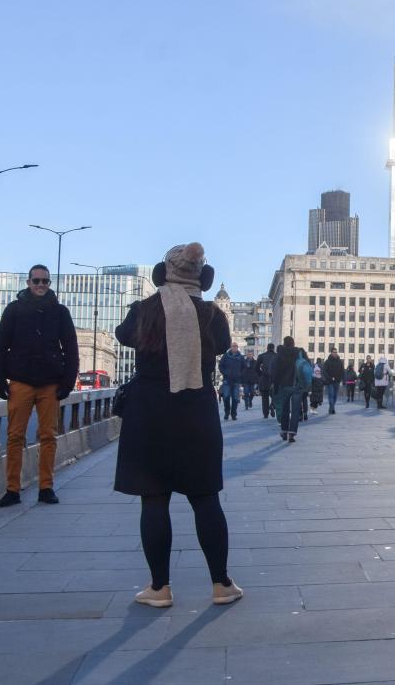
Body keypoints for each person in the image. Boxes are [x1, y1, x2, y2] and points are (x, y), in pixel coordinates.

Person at [113, 242, 243, 608]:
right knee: (205, 499)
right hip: (196, 413)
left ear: (163, 273)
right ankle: (221, 584)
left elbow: (125, 337)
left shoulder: (144, 310)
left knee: (154, 500)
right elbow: (219, 347)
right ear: (201, 278)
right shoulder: (213, 316)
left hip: (149, 415)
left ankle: (160, 588)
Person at [0, 263, 79, 507]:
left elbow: (71, 349)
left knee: (49, 436)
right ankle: (12, 490)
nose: (41, 285)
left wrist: (67, 382)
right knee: (15, 436)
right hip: (20, 382)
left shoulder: (60, 312)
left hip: (50, 384)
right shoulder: (14, 310)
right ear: (28, 282)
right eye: (36, 281)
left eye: (45, 281)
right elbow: (0, 347)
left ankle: (46, 487)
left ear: (49, 284)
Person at [272, 337, 303, 442]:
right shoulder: (299, 353)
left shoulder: (279, 355)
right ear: (293, 343)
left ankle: (284, 431)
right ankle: (292, 433)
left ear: (284, 343)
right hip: (297, 385)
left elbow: (275, 372)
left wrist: (275, 386)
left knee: (285, 409)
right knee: (295, 411)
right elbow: (306, 368)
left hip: (284, 386)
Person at [218, 342, 246, 420]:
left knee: (235, 398)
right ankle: (227, 412)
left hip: (236, 381)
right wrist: (225, 372)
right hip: (227, 380)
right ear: (231, 347)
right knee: (226, 397)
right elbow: (220, 365)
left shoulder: (241, 357)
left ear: (237, 348)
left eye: (236, 346)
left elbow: (244, 367)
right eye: (233, 346)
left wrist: (240, 374)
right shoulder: (226, 356)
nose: (234, 348)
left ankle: (234, 414)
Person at [256, 343, 276, 419]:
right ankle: (272, 405)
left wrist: (261, 374)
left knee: (265, 397)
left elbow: (256, 368)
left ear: (267, 348)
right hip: (274, 380)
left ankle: (265, 413)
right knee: (275, 396)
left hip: (264, 379)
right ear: (273, 348)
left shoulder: (261, 356)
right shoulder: (277, 356)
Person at [323, 349, 344, 415]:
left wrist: (342, 379)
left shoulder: (340, 361)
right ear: (331, 353)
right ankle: (331, 407)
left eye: (336, 352)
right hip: (329, 381)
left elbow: (342, 371)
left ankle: (332, 406)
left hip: (337, 381)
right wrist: (329, 378)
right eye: (334, 352)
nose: (335, 353)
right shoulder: (327, 361)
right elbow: (324, 371)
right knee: (331, 394)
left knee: (335, 395)